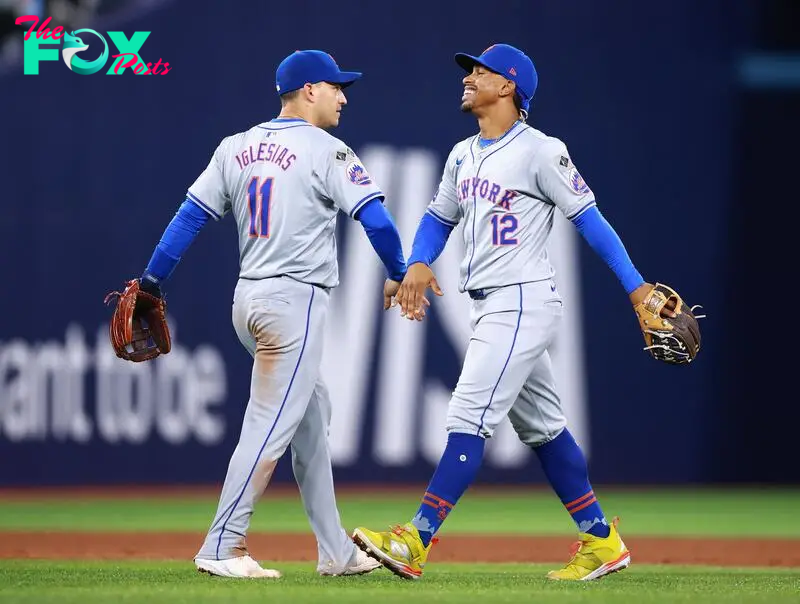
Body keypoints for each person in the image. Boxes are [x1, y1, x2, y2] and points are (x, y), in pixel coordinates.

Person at [353, 43, 654, 581]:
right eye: (470, 70)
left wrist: (635, 288)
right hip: (490, 304)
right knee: (545, 429)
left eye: (482, 71)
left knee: (468, 415)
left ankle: (415, 540)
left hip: (522, 299)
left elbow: (590, 219)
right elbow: (437, 218)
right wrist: (417, 262)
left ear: (509, 86)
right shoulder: (462, 154)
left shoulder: (542, 150)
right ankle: (602, 540)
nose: (469, 77)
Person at [136, 49, 407, 578]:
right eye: (335, 86)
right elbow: (376, 220)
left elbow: (189, 217)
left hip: (249, 300)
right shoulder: (327, 150)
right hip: (294, 303)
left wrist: (151, 280)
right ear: (309, 89)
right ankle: (222, 544)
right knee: (268, 426)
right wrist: (399, 269)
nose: (343, 96)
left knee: (311, 418)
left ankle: (335, 551)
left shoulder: (235, 147)